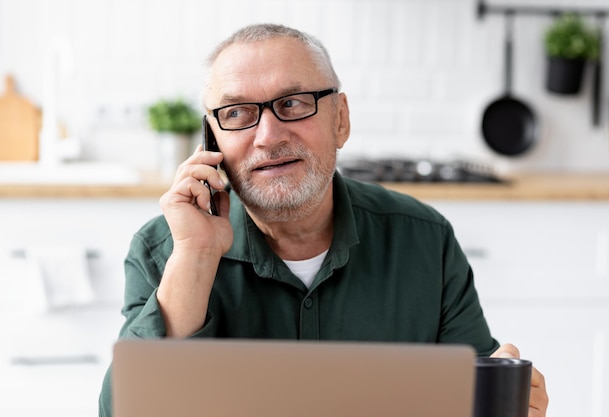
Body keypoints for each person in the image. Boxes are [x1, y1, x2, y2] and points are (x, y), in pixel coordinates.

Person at [99, 23, 548, 417]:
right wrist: (195, 257)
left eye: (293, 103)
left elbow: (473, 395)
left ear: (341, 119)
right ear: (211, 138)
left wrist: (512, 404)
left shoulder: (425, 240)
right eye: (237, 114)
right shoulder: (165, 249)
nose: (269, 136)